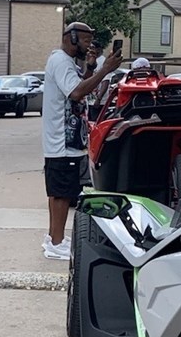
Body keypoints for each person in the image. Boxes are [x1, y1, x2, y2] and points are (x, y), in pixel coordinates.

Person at [41, 22, 121, 260]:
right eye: (85, 41)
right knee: (62, 194)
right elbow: (76, 92)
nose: (89, 46)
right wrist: (105, 70)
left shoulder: (67, 63)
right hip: (61, 141)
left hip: (66, 141)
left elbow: (79, 86)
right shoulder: (60, 61)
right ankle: (56, 244)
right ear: (71, 38)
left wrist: (91, 68)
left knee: (60, 193)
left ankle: (53, 237)